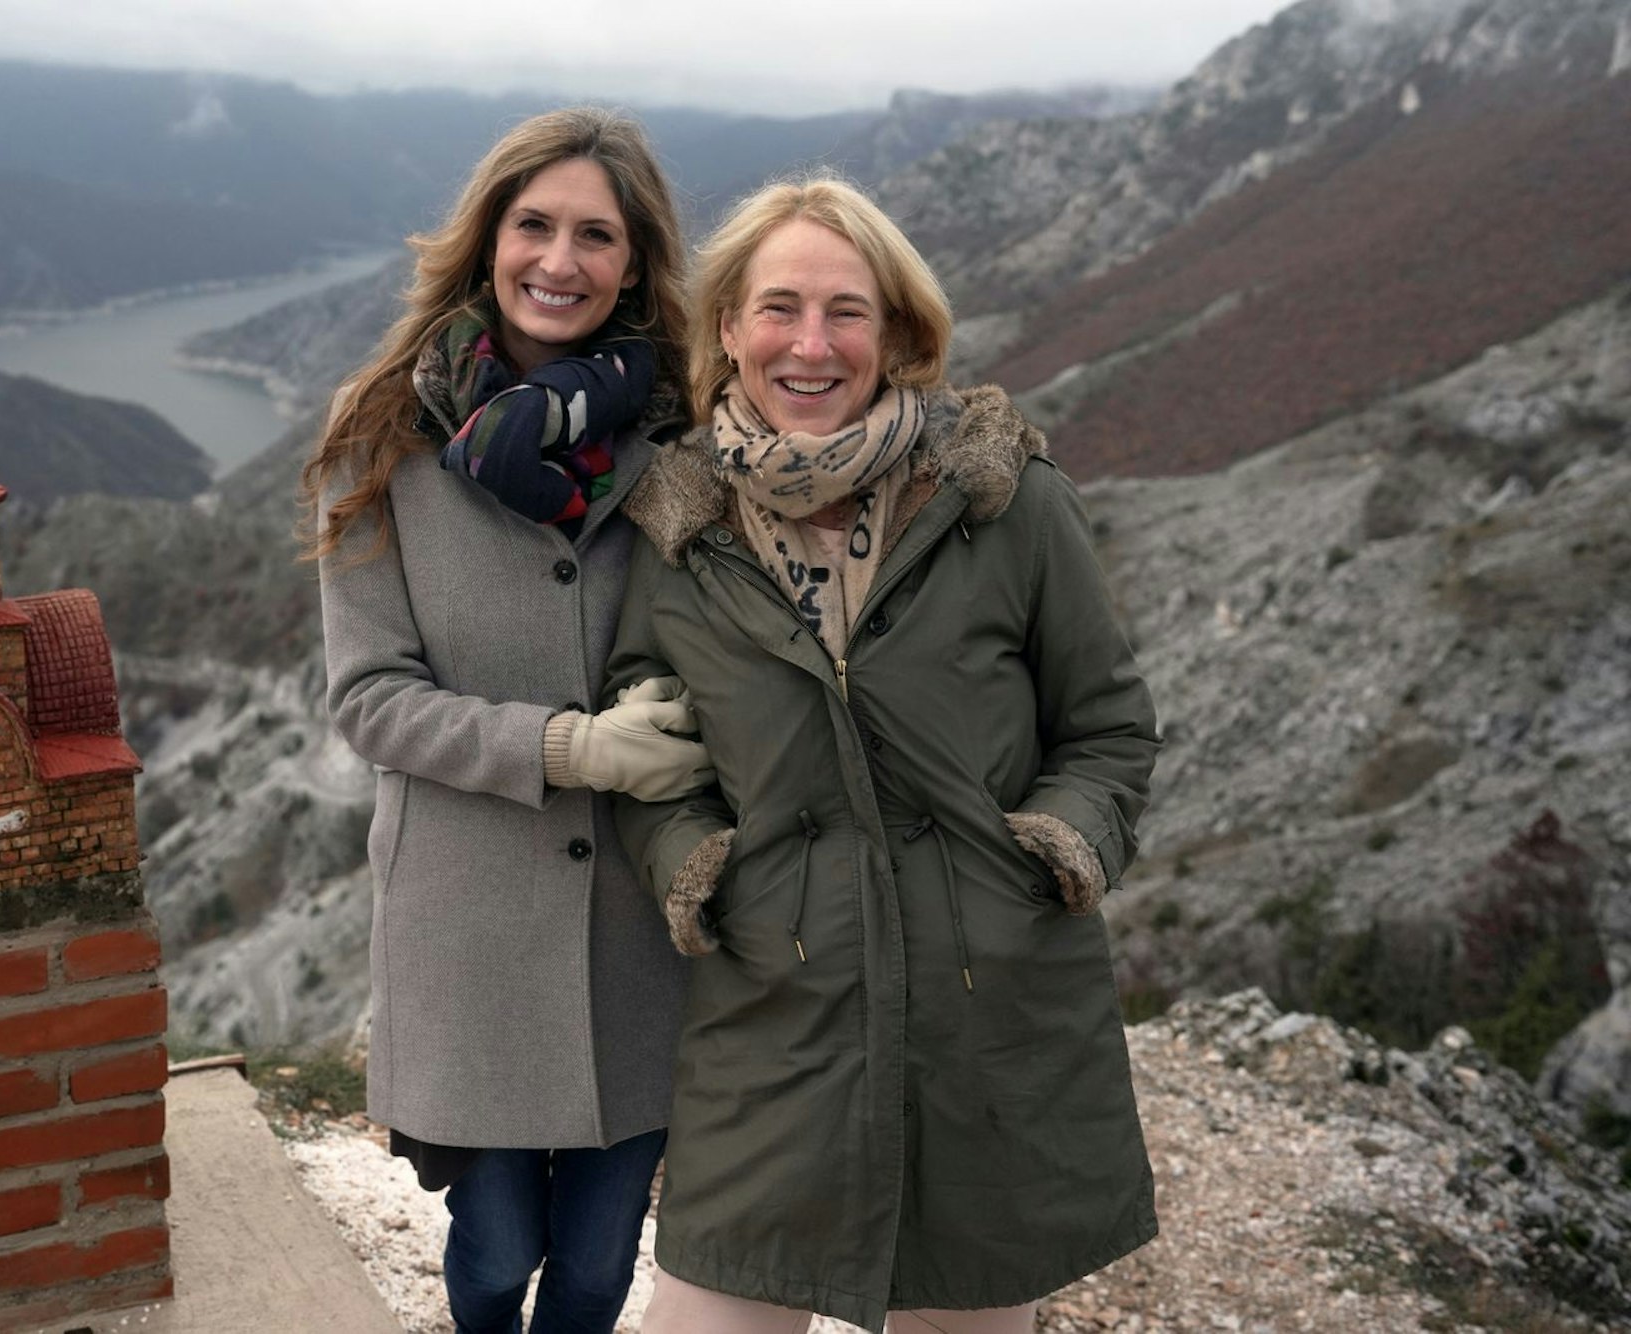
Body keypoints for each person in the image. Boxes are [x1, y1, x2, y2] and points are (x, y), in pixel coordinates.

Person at [608, 175, 1162, 1334]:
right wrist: (697, 863)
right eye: (778, 308)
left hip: (985, 1012)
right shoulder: (677, 532)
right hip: (775, 1005)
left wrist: (1053, 849)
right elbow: (648, 750)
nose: (810, 343)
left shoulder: (1002, 501)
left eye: (845, 311)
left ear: (897, 331)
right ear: (726, 328)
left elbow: (1105, 725)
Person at [303, 108, 708, 1334]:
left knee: (593, 1268)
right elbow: (368, 698)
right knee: (492, 1254)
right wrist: (562, 746)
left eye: (596, 234)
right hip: (465, 927)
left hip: (635, 930)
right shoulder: (379, 436)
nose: (560, 259)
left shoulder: (681, 436)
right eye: (534, 224)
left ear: (634, 262)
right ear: (487, 241)